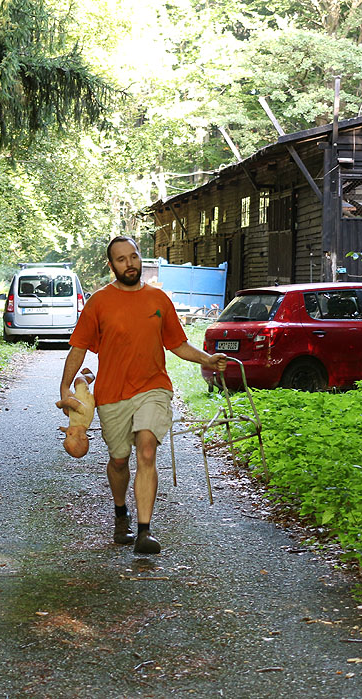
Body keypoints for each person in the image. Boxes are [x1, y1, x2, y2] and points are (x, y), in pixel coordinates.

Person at [57, 236, 228, 554]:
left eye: (133, 256)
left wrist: (207, 359)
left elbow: (177, 344)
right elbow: (78, 347)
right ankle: (121, 513)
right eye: (121, 259)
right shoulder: (99, 302)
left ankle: (144, 531)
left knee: (147, 450)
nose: (129, 263)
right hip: (112, 394)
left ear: (140, 258)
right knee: (119, 460)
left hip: (153, 387)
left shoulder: (159, 300)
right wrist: (65, 388)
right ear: (111, 266)